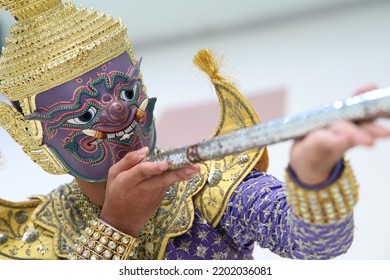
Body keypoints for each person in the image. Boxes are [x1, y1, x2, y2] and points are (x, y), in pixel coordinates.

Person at [0, 0, 388, 260]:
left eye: (128, 91)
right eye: (84, 115)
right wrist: (116, 226)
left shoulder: (208, 186)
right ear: (28, 136)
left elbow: (318, 246)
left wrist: (314, 175)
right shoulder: (32, 234)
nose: (119, 110)